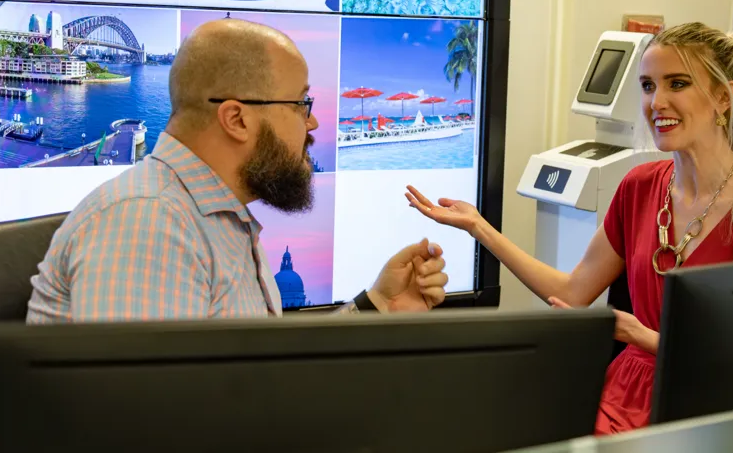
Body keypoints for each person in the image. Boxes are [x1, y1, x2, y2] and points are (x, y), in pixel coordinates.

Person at [405, 22, 733, 434]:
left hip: (709, 406)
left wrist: (643, 335)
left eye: (677, 84)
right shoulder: (639, 187)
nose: (657, 102)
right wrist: (479, 227)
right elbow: (571, 294)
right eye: (648, 86)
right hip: (621, 397)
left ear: (724, 97)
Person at [27, 19, 448, 323]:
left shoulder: (208, 215)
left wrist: (378, 305)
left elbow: (258, 375)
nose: (313, 123)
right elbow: (150, 426)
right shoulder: (149, 223)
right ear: (238, 119)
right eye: (302, 104)